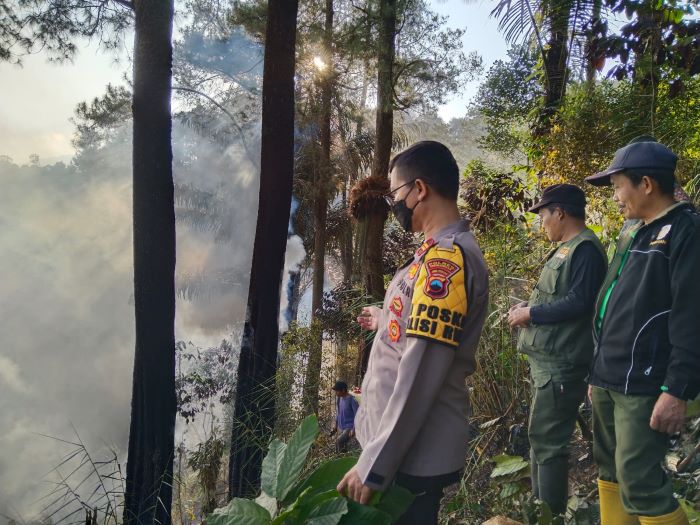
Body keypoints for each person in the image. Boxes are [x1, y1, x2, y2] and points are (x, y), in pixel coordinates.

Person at [336, 141, 489, 525]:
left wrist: (375, 464)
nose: (394, 204)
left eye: (396, 193)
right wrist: (385, 313)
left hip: (409, 456)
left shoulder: (446, 262)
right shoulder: (432, 252)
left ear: (420, 189)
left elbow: (422, 371)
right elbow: (418, 327)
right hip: (401, 448)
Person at [584, 137, 700, 525]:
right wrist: (596, 373)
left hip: (645, 383)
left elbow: (691, 315)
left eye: (618, 186)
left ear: (646, 184)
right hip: (609, 375)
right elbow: (611, 301)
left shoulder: (686, 232)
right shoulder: (636, 231)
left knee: (640, 481)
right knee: (610, 470)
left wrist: (677, 389)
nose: (616, 197)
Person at [508, 184, 607, 515]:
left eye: (544, 215)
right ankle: (541, 512)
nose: (542, 223)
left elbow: (580, 302)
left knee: (548, 445)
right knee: (540, 439)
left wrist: (531, 314)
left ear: (560, 213)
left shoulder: (586, 250)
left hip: (563, 366)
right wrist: (528, 306)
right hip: (546, 364)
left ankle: (549, 517)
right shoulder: (566, 248)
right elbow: (559, 297)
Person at [330, 380, 359, 453]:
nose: (336, 393)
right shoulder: (339, 399)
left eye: (337, 391)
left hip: (349, 427)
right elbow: (339, 413)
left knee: (339, 442)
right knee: (342, 446)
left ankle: (340, 460)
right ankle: (343, 459)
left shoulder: (352, 400)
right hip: (342, 427)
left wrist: (354, 429)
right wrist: (335, 426)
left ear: (343, 390)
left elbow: (358, 415)